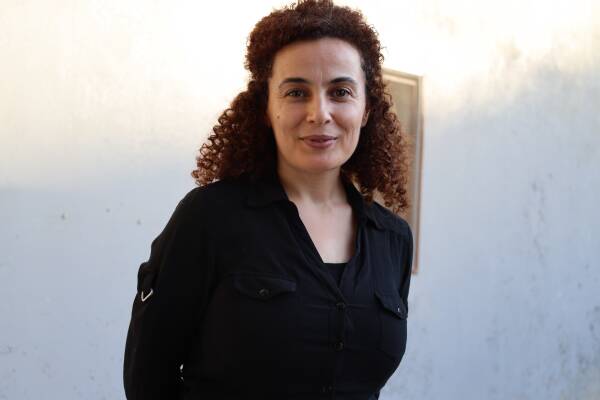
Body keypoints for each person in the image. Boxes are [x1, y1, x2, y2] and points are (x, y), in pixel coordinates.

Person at [123, 0, 414, 399]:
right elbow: (148, 380)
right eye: (296, 92)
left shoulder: (393, 238)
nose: (319, 113)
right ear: (266, 108)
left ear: (366, 109)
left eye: (341, 92)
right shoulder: (210, 219)